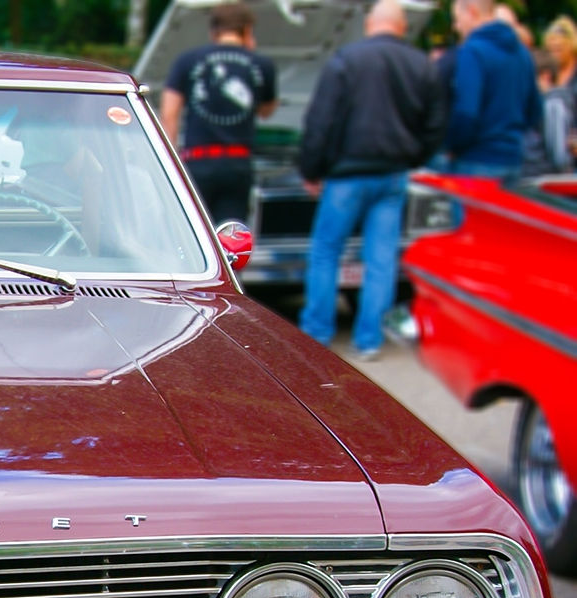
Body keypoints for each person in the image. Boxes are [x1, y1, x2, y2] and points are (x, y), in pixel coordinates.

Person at [296, 0, 445, 361]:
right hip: (392, 175)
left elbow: (321, 121)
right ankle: (369, 339)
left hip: (346, 176)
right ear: (402, 26)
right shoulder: (422, 65)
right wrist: (413, 159)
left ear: (369, 23)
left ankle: (317, 336)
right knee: (380, 260)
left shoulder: (347, 60)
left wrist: (311, 169)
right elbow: (436, 124)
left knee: (326, 252)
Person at [160, 2, 277, 224]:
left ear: (213, 31)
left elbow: (169, 114)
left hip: (198, 161)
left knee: (192, 232)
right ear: (247, 30)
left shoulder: (187, 60)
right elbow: (267, 110)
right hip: (238, 163)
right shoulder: (262, 64)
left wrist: (169, 163)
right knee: (230, 237)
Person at [440, 0, 542, 180]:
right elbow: (535, 110)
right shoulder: (522, 54)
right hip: (513, 159)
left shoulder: (473, 52)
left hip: (476, 159)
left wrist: (452, 147)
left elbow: (466, 113)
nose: (456, 27)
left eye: (457, 19)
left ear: (472, 12)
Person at [523, 49, 574, 175]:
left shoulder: (554, 103)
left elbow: (558, 155)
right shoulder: (537, 102)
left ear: (546, 76)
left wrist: (566, 174)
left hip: (544, 177)